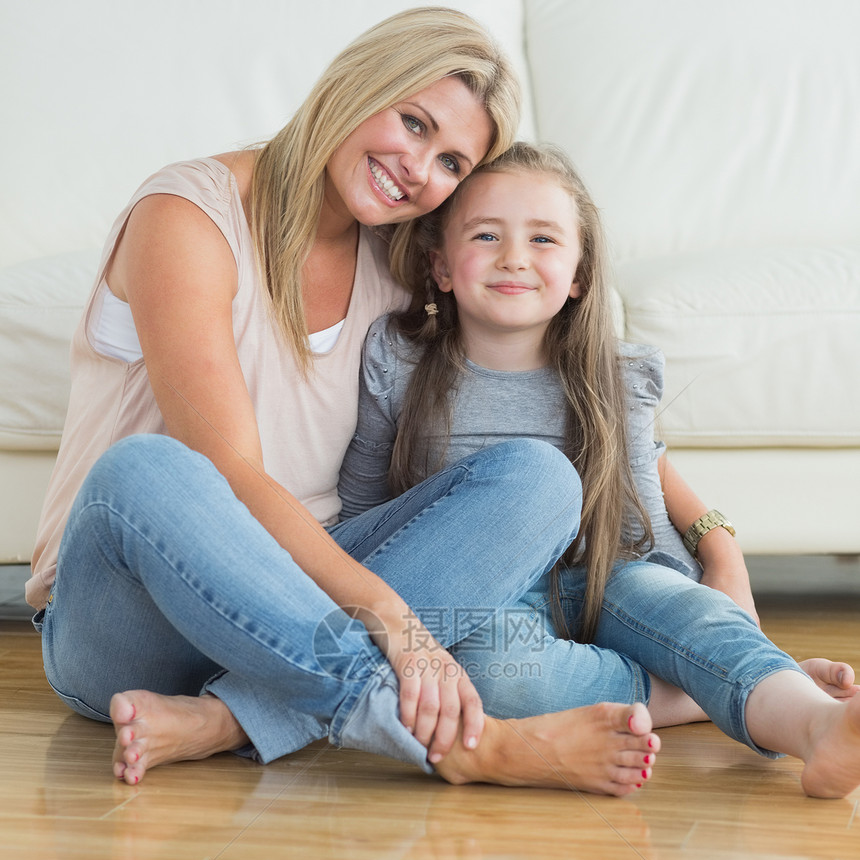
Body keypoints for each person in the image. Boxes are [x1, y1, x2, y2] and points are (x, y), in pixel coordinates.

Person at [25, 10, 660, 799]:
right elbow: (226, 472)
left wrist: (706, 531)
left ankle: (233, 717)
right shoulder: (187, 217)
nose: (417, 166)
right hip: (137, 621)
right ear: (361, 84)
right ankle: (453, 744)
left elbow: (547, 367)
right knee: (145, 471)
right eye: (413, 121)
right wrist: (397, 624)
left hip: (312, 600)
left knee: (540, 480)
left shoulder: (397, 260)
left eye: (451, 160)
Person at [338, 141, 860, 798]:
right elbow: (364, 517)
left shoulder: (619, 374)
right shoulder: (399, 363)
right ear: (440, 266)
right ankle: (719, 689)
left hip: (615, 573)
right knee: (496, 679)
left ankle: (815, 725)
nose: (515, 257)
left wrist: (704, 594)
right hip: (493, 598)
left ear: (581, 273)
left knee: (698, 623)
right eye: (487, 235)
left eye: (544, 239)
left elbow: (648, 526)